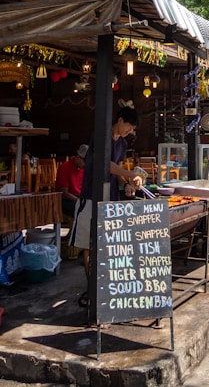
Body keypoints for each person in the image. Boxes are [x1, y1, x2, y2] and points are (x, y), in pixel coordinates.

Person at [70, 106, 141, 309]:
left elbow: (116, 169)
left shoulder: (123, 143)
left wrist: (125, 184)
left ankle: (104, 287)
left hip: (111, 196)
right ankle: (92, 289)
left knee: (108, 244)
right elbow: (106, 165)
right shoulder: (100, 135)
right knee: (89, 243)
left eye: (132, 129)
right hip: (91, 195)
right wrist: (130, 175)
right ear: (120, 120)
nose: (129, 131)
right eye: (129, 126)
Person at [55, 144, 88, 218]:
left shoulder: (84, 169)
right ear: (78, 157)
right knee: (82, 210)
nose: (86, 165)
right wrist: (79, 201)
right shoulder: (64, 167)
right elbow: (64, 193)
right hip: (65, 200)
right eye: (85, 161)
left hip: (79, 197)